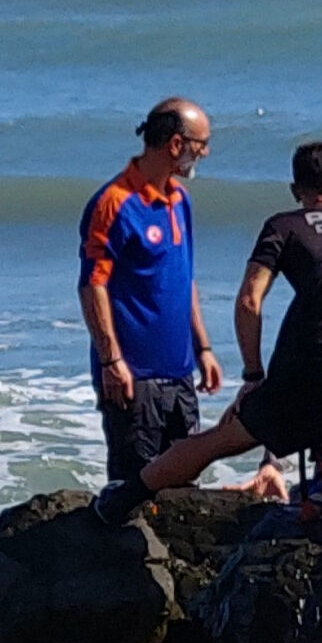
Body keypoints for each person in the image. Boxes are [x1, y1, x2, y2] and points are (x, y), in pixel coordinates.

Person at [93, 141, 322, 624]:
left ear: (295, 189)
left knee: (219, 440)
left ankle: (123, 497)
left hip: (317, 370)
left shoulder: (286, 225)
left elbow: (249, 300)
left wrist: (253, 373)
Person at [78, 98, 222, 489]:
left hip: (180, 373)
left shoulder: (180, 200)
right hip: (133, 377)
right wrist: (111, 360)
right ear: (176, 144)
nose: (205, 153)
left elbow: (185, 278)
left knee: (184, 488)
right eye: (201, 144)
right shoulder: (113, 203)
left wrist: (204, 348)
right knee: (136, 490)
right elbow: (93, 285)